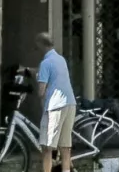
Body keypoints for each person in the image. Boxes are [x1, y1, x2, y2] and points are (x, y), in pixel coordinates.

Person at [31, 33, 75, 172]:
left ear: (40, 44)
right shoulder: (61, 60)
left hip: (55, 106)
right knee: (65, 147)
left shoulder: (45, 63)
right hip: (70, 103)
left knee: (47, 148)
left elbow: (41, 90)